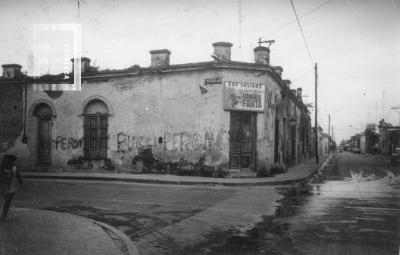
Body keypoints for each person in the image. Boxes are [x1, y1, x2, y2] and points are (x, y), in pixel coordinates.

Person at [0, 154, 23, 221]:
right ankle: (4, 216)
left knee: (3, 200)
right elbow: (18, 176)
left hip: (3, 186)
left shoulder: (1, 166)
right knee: (7, 201)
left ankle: (4, 215)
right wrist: (21, 182)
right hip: (9, 187)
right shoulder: (13, 167)